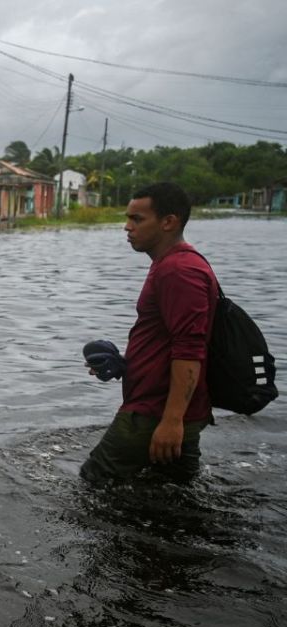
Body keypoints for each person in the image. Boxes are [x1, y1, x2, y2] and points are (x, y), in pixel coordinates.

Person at [80, 182, 219, 482]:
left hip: (153, 412)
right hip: (166, 408)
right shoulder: (171, 264)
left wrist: (171, 421)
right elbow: (171, 341)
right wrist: (129, 365)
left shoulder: (179, 270)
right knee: (173, 495)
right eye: (128, 218)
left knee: (93, 484)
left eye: (137, 219)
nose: (127, 227)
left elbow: (189, 349)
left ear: (169, 222)